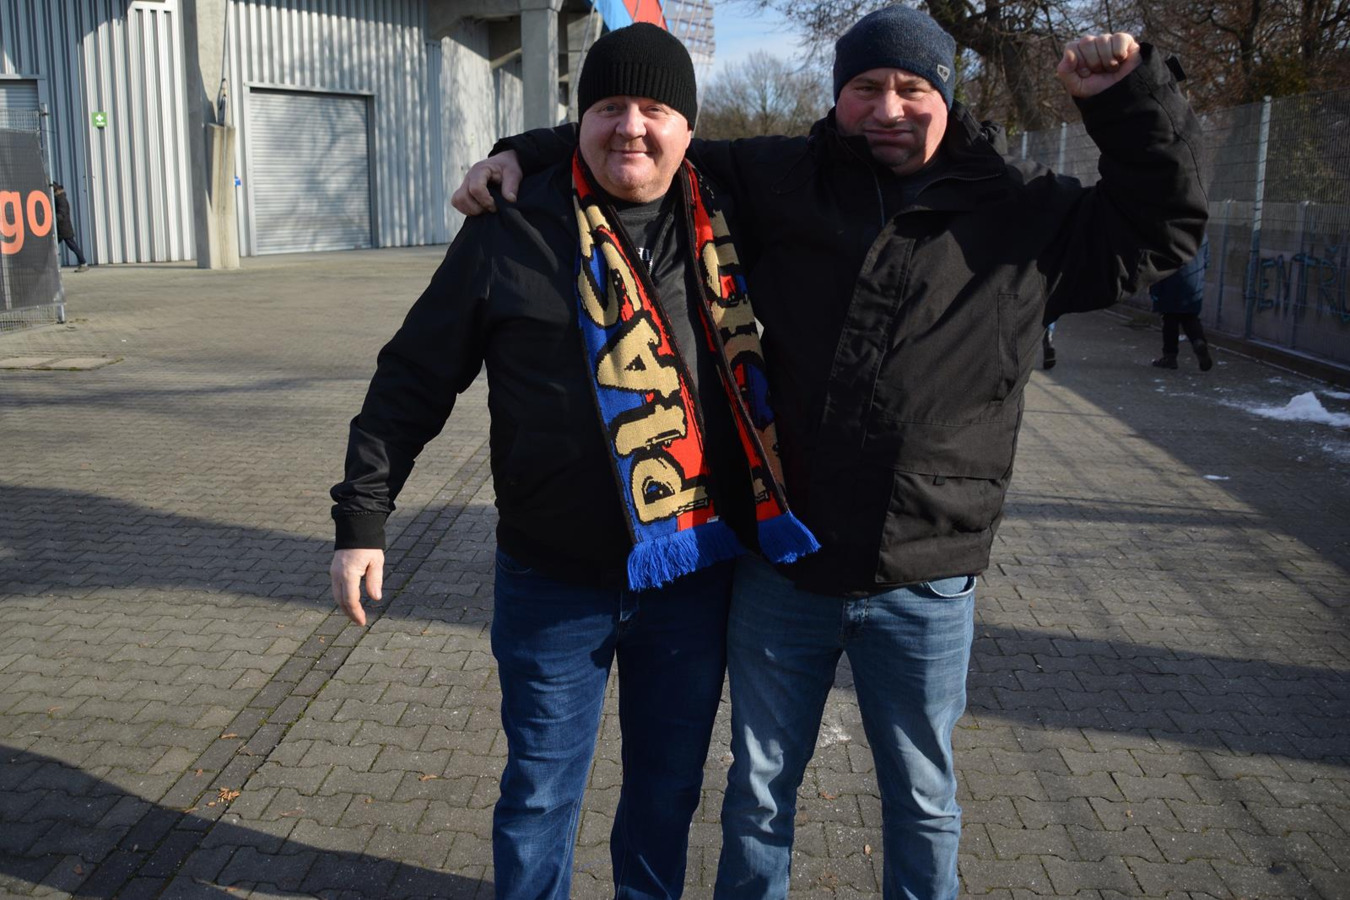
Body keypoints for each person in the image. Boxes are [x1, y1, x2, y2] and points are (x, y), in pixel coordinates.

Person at [454, 8, 1207, 897]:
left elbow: (1160, 228)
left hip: (926, 574)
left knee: (923, 799)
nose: (887, 108)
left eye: (911, 88)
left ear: (948, 95)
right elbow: (647, 136)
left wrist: (1129, 100)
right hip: (786, 571)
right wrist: (521, 150)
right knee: (759, 793)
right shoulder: (782, 179)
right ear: (836, 94)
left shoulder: (1023, 212)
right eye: (865, 87)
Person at [330, 23, 816, 900]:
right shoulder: (512, 227)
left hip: (693, 574)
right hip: (550, 578)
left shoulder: (735, 216)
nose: (632, 126)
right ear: (579, 118)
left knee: (667, 791)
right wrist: (362, 517)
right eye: (608, 107)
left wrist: (518, 144)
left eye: (655, 108)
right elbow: (413, 376)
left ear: (689, 127)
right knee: (539, 795)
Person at [1151, 234, 1213, 370]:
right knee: (1190, 317)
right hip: (1193, 279)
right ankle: (1198, 341)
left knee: (1169, 318)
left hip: (1169, 279)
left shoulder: (1167, 229)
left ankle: (1170, 357)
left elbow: (1157, 257)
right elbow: (1206, 259)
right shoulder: (1201, 232)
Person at [51, 183, 88, 272]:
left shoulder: (61, 200)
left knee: (72, 246)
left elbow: (62, 214)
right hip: (61, 229)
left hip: (64, 229)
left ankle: (83, 263)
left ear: (57, 191)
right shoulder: (59, 199)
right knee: (51, 246)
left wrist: (53, 219)